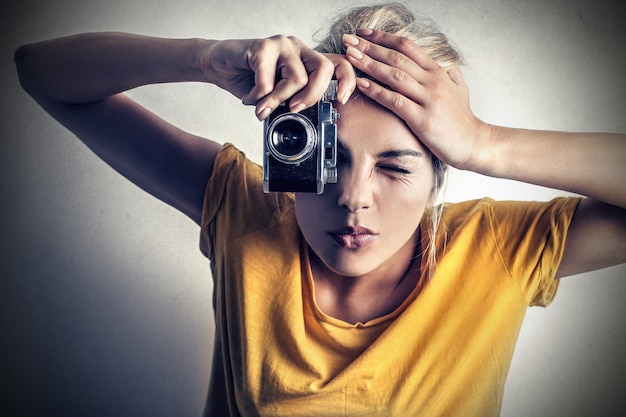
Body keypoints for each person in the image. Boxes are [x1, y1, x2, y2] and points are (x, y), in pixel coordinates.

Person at [13, 3, 626, 416]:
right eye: (326, 163)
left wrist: (484, 142)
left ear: (440, 175)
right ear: (290, 159)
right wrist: (202, 58)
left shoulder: (499, 250)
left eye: (395, 166)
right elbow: (39, 71)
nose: (355, 198)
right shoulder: (244, 209)